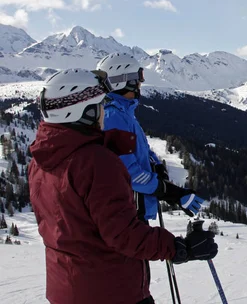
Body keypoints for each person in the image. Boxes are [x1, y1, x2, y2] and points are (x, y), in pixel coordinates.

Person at [28, 69, 218, 304]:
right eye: (99, 105)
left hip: (66, 288)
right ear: (82, 111)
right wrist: (180, 247)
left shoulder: (40, 160)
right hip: (112, 290)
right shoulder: (97, 163)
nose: (103, 114)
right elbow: (124, 235)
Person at [96, 53, 204, 221]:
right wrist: (171, 192)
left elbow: (141, 150)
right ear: (123, 80)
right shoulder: (112, 118)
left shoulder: (124, 113)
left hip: (135, 208)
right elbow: (127, 172)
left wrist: (156, 165)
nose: (141, 83)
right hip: (126, 213)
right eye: (138, 77)